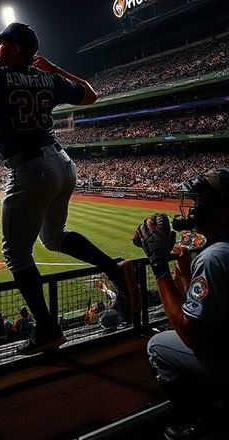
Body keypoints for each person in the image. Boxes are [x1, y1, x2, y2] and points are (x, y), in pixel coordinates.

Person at [0, 4, 138, 356]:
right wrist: (54, 69)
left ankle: (47, 329)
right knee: (55, 237)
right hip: (62, 164)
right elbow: (91, 94)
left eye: (0, 44)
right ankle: (116, 271)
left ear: (15, 49)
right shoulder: (48, 79)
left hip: (31, 170)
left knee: (16, 254)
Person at [136, 169, 229, 439]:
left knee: (158, 345)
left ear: (221, 208)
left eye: (200, 201)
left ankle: (201, 417)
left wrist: (159, 266)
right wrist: (187, 275)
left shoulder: (213, 257)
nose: (194, 207)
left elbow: (191, 334)